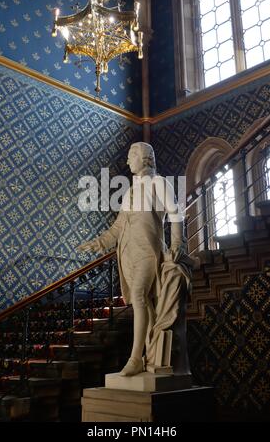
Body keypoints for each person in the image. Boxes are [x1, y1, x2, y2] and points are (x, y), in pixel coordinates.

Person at [77, 142, 192, 376]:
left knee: (139, 295)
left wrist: (178, 243)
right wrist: (98, 243)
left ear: (145, 158)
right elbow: (118, 226)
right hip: (127, 253)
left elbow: (175, 212)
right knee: (144, 305)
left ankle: (135, 358)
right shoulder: (129, 191)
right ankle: (150, 354)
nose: (128, 161)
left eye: (132, 156)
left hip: (148, 250)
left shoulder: (158, 182)